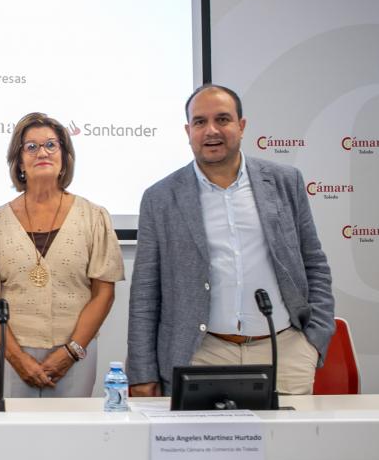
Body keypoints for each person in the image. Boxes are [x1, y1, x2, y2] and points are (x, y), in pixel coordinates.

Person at [126, 84, 335, 396]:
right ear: (188, 130)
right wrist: (142, 373)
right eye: (199, 122)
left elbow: (314, 263)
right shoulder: (161, 197)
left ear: (241, 125)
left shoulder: (284, 182)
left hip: (284, 350)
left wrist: (313, 340)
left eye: (222, 119)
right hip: (201, 354)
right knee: (202, 445)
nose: (211, 130)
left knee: (286, 445)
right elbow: (145, 292)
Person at [0, 113, 124, 397]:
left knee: (70, 438)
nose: (42, 153)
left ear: (65, 157)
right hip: (10, 358)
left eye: (51, 145)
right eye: (31, 147)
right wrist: (17, 358)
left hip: (75, 354)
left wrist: (71, 351)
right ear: (19, 161)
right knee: (11, 438)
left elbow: (104, 293)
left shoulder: (94, 218)